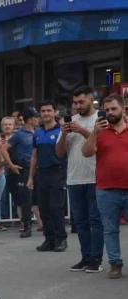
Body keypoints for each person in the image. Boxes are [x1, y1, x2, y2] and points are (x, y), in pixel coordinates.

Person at [56, 86, 103, 273]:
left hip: (95, 176)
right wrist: (65, 134)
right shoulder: (70, 122)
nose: (77, 106)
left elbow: (102, 145)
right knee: (81, 221)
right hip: (74, 178)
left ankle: (97, 259)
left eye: (81, 102)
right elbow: (59, 152)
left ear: (91, 99)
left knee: (95, 220)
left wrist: (83, 130)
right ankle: (85, 257)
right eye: (74, 102)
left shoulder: (101, 119)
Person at [82, 95, 128, 279]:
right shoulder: (100, 133)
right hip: (106, 190)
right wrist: (93, 133)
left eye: (113, 109)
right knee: (110, 229)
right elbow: (86, 152)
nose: (109, 113)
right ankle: (115, 264)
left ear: (123, 110)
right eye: (106, 110)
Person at [28, 101, 68, 253]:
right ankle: (49, 239)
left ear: (55, 112)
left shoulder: (61, 130)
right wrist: (31, 177)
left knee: (56, 207)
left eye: (49, 111)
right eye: (43, 111)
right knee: (43, 208)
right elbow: (34, 155)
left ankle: (61, 239)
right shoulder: (37, 132)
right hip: (42, 173)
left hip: (57, 171)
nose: (46, 114)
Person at [0, 108, 39, 238]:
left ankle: (44, 224)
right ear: (30, 119)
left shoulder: (39, 132)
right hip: (24, 168)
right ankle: (26, 227)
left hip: (39, 168)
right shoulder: (19, 134)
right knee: (26, 199)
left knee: (41, 198)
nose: (38, 119)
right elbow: (4, 148)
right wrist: (11, 165)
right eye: (36, 117)